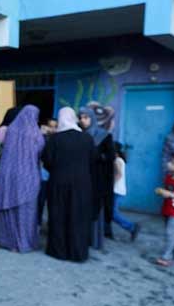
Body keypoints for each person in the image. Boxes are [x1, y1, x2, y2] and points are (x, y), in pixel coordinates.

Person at [42, 107, 96, 262]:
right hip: (82, 184)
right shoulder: (87, 138)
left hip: (59, 182)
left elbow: (47, 161)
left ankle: (58, 251)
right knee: (78, 217)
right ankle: (78, 252)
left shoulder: (55, 139)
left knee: (58, 215)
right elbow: (93, 161)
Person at [0, 104, 45, 253]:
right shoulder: (35, 134)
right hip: (28, 176)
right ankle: (24, 242)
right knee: (26, 210)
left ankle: (4, 240)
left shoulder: (10, 130)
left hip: (7, 174)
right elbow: (41, 152)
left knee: (7, 209)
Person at [79, 106, 115, 247]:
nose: (83, 120)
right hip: (82, 177)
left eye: (86, 117)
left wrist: (97, 157)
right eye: (81, 117)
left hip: (98, 179)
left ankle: (95, 239)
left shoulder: (104, 135)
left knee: (96, 208)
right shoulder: (78, 134)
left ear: (92, 118)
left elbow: (111, 156)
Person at [112, 142, 141, 241]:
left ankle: (132, 227)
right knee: (112, 212)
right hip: (119, 190)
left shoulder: (117, 160)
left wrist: (111, 185)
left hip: (116, 190)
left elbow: (119, 174)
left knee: (113, 213)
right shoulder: (120, 160)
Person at [36, 117, 57, 227]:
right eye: (50, 126)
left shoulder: (59, 139)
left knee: (53, 204)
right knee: (40, 202)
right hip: (42, 176)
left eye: (55, 127)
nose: (52, 129)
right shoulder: (42, 138)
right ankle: (38, 225)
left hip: (54, 177)